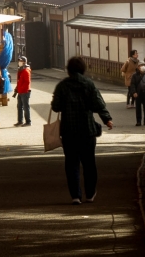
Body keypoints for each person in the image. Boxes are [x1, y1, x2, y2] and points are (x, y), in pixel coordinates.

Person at [50, 56, 113, 205]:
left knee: (71, 164)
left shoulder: (62, 86)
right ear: (83, 69)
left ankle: (75, 196)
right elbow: (99, 104)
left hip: (68, 131)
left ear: (69, 69)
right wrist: (107, 119)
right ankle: (90, 194)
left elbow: (56, 107)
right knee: (89, 162)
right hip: (87, 130)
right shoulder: (89, 84)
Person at [14, 57, 33, 126]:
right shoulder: (21, 70)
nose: (19, 62)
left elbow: (27, 82)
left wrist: (21, 88)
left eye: (21, 61)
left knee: (25, 107)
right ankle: (20, 121)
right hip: (20, 91)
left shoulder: (26, 70)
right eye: (19, 61)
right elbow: (20, 81)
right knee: (19, 107)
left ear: (24, 62)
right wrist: (17, 88)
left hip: (25, 92)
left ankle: (28, 122)